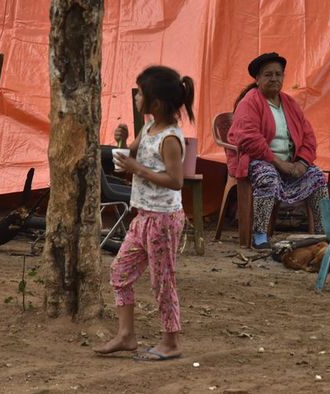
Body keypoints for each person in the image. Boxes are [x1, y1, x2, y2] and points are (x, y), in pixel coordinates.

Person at [93, 65, 195, 361]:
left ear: (156, 103)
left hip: (163, 220)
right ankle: (126, 335)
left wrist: (138, 169)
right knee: (119, 272)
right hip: (143, 217)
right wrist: (122, 141)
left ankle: (171, 341)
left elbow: (176, 181)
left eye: (140, 95)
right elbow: (132, 155)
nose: (136, 98)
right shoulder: (149, 128)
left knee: (162, 280)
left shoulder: (171, 139)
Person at [227, 52, 328, 249]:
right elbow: (249, 139)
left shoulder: (289, 103)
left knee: (317, 177)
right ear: (257, 79)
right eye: (268, 74)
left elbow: (308, 136)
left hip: (290, 164)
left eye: (278, 74)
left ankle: (322, 233)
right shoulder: (250, 102)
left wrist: (302, 163)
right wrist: (279, 163)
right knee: (267, 177)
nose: (274, 78)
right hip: (259, 161)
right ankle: (260, 234)